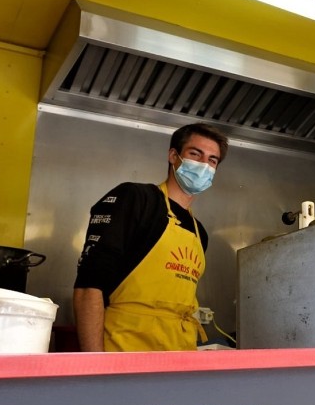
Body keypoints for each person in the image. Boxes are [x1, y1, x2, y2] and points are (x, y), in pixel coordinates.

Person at [73, 123, 229, 351]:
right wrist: (95, 368)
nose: (204, 165)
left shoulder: (199, 232)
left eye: (212, 160)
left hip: (179, 355)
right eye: (195, 154)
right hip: (125, 350)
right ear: (173, 156)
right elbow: (89, 287)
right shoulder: (136, 199)